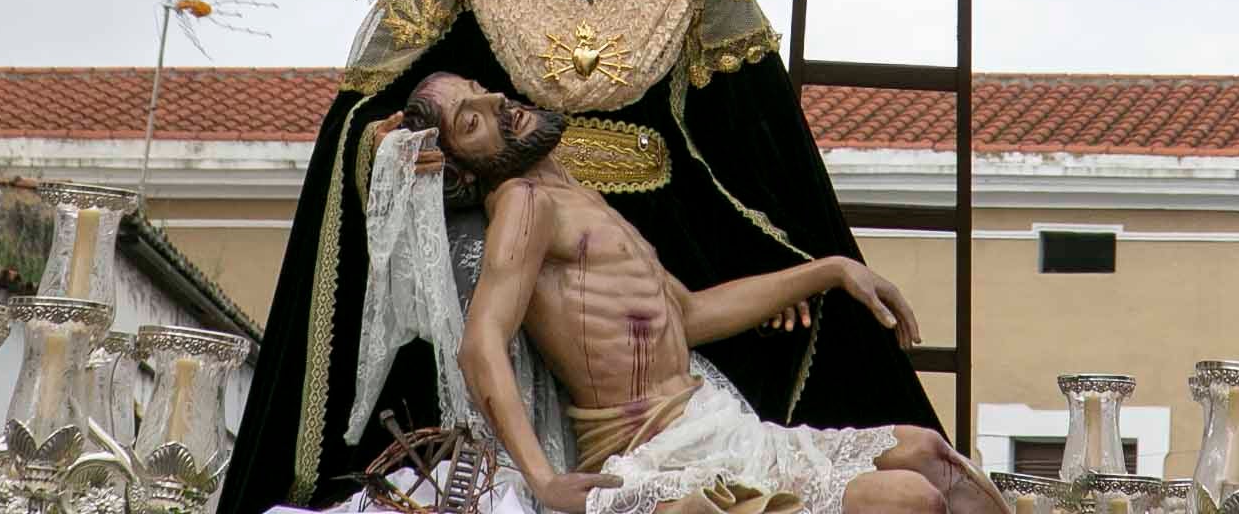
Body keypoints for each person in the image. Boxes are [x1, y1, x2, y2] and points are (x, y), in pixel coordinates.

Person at [223, 0, 938, 513]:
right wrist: (392, 143)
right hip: (532, 234)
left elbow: (748, 134)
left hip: (666, 229)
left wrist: (805, 259)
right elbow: (398, 103)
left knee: (829, 394)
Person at [410, 72, 1004, 514]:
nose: (498, 104)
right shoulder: (523, 203)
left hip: (716, 427)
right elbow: (480, 344)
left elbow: (688, 316)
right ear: (461, 170)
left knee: (930, 453)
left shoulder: (574, 197)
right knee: (908, 499)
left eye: (482, 90)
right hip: (658, 455)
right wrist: (544, 481)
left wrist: (830, 270)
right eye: (471, 120)